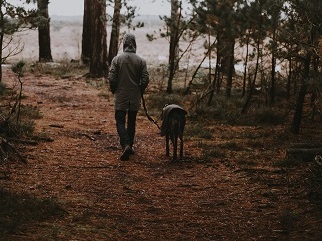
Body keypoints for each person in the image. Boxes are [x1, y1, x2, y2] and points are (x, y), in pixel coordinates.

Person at [108, 33, 149, 161]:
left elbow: (112, 78)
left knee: (120, 121)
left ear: (124, 44)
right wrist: (140, 90)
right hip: (134, 96)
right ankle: (129, 145)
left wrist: (114, 90)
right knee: (132, 122)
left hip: (121, 95)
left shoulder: (117, 60)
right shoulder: (141, 61)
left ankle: (125, 145)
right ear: (134, 44)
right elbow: (145, 78)